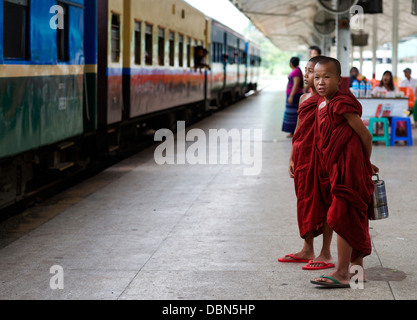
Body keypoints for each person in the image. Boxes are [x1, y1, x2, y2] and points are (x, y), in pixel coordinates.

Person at [310, 57, 379, 288]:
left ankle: (340, 273)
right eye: (316, 77)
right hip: (338, 168)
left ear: (339, 80)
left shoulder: (342, 103)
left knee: (341, 216)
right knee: (354, 217)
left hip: (350, 171)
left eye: (327, 77)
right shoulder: (322, 105)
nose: (321, 82)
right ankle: (357, 272)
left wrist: (364, 164)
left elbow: (366, 137)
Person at [279, 56, 334, 271]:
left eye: (311, 71)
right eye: (307, 70)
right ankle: (307, 248)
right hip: (303, 158)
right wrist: (292, 156)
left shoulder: (328, 100)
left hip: (322, 160)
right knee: (305, 201)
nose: (306, 75)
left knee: (326, 202)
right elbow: (299, 132)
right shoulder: (304, 99)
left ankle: (326, 253)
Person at [282, 57, 304, 138]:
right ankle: (292, 131)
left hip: (294, 95)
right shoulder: (297, 70)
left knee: (293, 113)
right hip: (293, 94)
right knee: (291, 113)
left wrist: (291, 96)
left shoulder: (296, 71)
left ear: (291, 63)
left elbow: (296, 84)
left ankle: (294, 131)